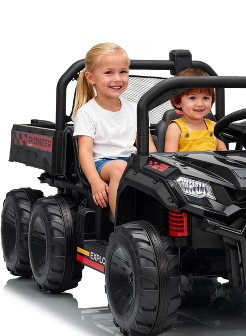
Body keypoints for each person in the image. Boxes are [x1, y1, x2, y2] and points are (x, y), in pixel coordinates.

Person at [73, 42, 156, 217]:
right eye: (109, 73)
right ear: (91, 78)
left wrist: (156, 167)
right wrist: (95, 181)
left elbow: (148, 147)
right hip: (103, 163)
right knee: (120, 167)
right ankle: (123, 224)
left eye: (123, 72)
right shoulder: (87, 112)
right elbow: (85, 152)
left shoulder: (136, 109)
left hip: (132, 161)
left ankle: (155, 220)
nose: (118, 78)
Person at [164, 68, 227, 152]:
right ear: (178, 102)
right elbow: (169, 157)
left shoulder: (213, 126)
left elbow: (222, 149)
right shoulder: (175, 128)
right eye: (192, 98)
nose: (200, 104)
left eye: (205, 98)